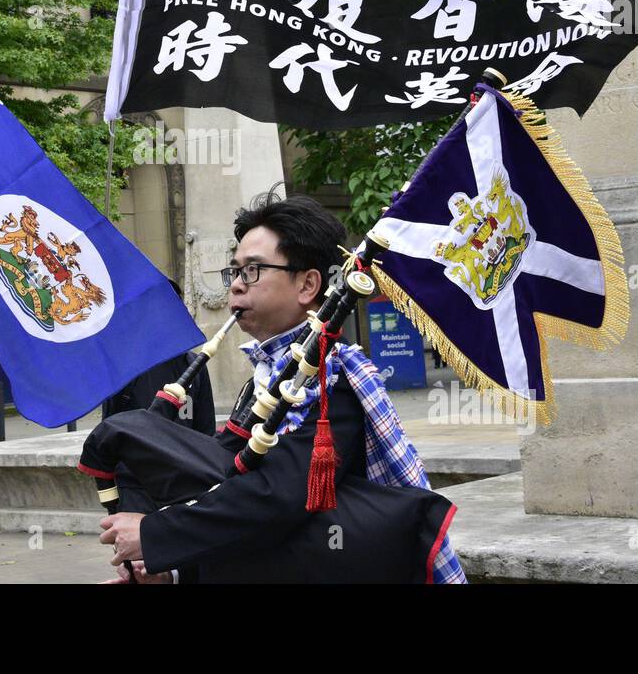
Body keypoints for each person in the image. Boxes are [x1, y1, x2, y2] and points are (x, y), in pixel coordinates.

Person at [98, 192, 466, 583]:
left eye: (253, 270)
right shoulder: (266, 379)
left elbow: (275, 499)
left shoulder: (333, 382)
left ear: (308, 284)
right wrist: (169, 571)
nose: (237, 286)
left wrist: (153, 535)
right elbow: (223, 487)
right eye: (235, 271)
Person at [100, 280, 215, 436]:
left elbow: (206, 431)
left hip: (183, 459)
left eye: (175, 305)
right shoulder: (125, 367)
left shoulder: (194, 364)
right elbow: (109, 430)